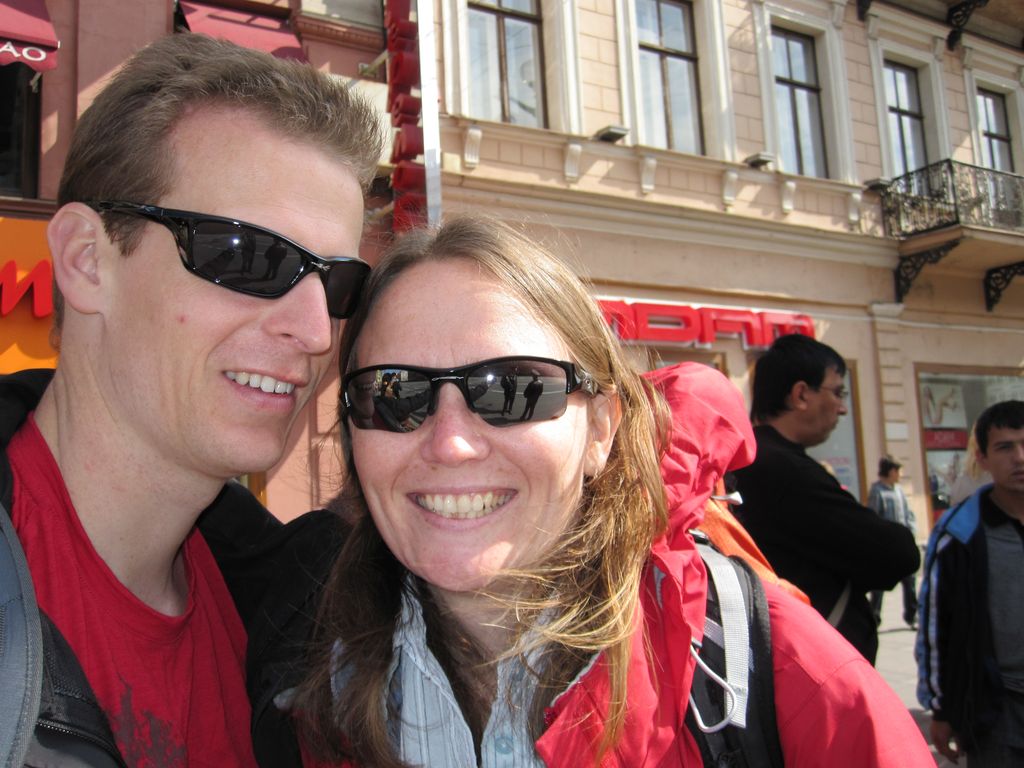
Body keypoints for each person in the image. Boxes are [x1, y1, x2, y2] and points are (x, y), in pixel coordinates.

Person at [294, 216, 933, 767]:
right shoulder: (303, 686)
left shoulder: (779, 671)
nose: (451, 444)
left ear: (601, 427)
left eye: (515, 390)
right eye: (395, 393)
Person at [0, 33, 383, 766]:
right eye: (251, 257)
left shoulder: (298, 623)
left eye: (338, 285)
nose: (314, 332)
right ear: (87, 260)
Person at [732, 334, 920, 664]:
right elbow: (898, 553)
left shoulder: (746, 457)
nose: (843, 407)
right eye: (838, 392)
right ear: (801, 394)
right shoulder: (784, 470)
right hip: (813, 663)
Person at [917, 400, 1024, 766]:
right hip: (995, 708)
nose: (1019, 458)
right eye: (1005, 447)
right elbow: (935, 625)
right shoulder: (959, 533)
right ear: (982, 457)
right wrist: (941, 708)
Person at [867, 455, 919, 628]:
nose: (900, 474)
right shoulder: (877, 491)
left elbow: (908, 514)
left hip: (902, 544)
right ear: (891, 471)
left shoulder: (899, 490)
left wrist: (911, 532)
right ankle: (874, 617)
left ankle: (912, 615)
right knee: (879, 585)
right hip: (886, 546)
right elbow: (874, 518)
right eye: (898, 470)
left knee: (910, 581)